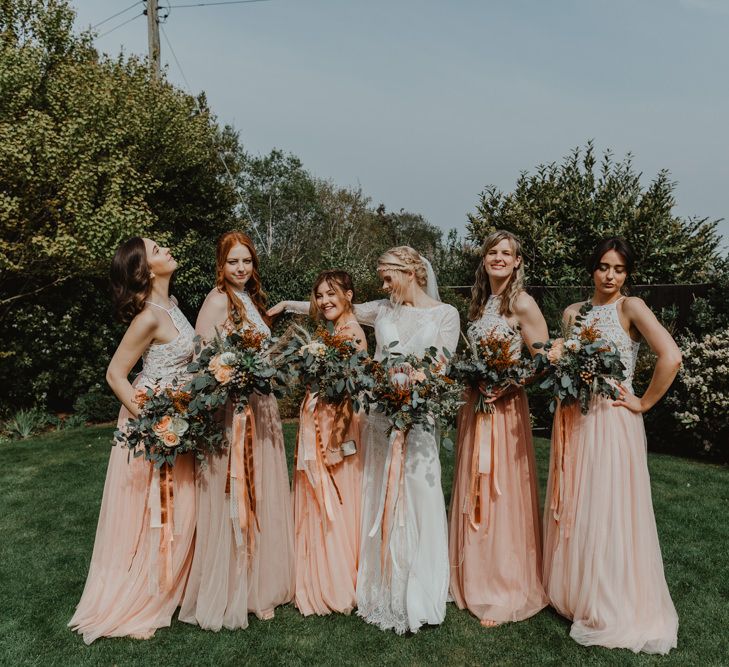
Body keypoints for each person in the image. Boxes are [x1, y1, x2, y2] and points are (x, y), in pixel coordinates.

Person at [271, 246, 459, 634]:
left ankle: (419, 590)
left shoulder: (446, 314)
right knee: (377, 494)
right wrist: (289, 304)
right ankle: (379, 586)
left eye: (387, 276)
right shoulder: (383, 310)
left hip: (418, 417)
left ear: (410, 272)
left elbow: (442, 368)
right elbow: (334, 306)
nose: (383, 283)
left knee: (419, 495)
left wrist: (414, 391)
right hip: (378, 418)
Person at [543, 237, 680, 654]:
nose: (610, 275)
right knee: (578, 502)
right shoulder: (573, 314)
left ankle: (608, 598)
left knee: (609, 505)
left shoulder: (630, 307)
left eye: (619, 269)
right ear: (592, 268)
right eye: (604, 266)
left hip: (612, 420)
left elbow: (670, 356)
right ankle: (575, 592)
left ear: (627, 274)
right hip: (575, 419)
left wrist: (642, 401)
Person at [69, 238, 196, 644]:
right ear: (145, 270)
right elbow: (115, 375)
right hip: (152, 423)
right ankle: (140, 594)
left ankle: (168, 585)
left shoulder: (173, 303)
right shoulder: (147, 318)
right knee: (147, 509)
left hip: (179, 419)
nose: (167, 249)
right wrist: (153, 421)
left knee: (179, 504)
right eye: (158, 249)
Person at [179, 231, 294, 631]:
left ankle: (260, 582)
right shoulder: (216, 301)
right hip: (232, 412)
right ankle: (235, 587)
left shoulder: (250, 300)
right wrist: (234, 377)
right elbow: (201, 359)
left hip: (261, 408)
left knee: (261, 490)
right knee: (235, 490)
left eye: (246, 261)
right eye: (233, 262)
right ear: (221, 265)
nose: (241, 268)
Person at [449, 230, 548, 627]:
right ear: (484, 258)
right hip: (475, 408)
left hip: (505, 410)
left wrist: (508, 385)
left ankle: (504, 585)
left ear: (518, 261)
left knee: (500, 491)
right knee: (474, 486)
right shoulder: (479, 303)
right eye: (493, 251)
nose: (499, 258)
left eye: (507, 253)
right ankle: (472, 573)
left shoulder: (522, 303)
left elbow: (543, 359)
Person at [271, 271, 367, 616]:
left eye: (332, 294)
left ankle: (334, 582)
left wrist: (337, 442)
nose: (325, 300)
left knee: (334, 499)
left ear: (350, 296)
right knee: (320, 496)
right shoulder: (335, 330)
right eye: (320, 295)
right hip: (320, 420)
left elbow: (349, 394)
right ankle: (318, 573)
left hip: (333, 427)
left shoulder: (351, 334)